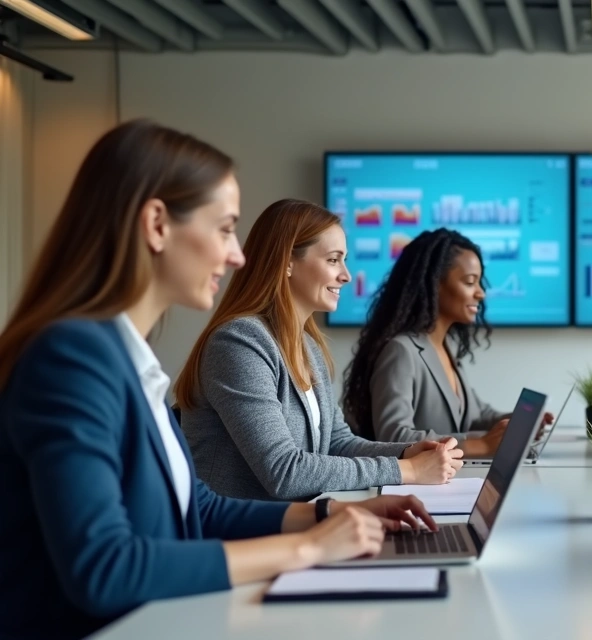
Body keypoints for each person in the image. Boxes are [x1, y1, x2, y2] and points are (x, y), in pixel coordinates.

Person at [0, 121, 437, 639]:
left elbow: (197, 510)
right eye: (226, 228)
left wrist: (334, 513)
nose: (237, 255)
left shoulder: (127, 359)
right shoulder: (71, 360)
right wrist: (309, 548)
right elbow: (104, 568)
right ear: (157, 224)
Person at [178, 199, 463, 501]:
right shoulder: (239, 343)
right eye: (333, 260)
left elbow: (337, 443)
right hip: (240, 538)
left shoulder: (308, 347)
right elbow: (285, 472)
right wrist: (409, 470)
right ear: (287, 261)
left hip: (291, 526)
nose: (346, 275)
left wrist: (406, 451)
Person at [343, 228, 551, 456]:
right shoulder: (401, 351)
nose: (481, 293)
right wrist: (477, 445)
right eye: (470, 282)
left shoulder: (443, 348)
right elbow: (394, 437)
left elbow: (475, 416)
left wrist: (517, 422)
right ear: (434, 285)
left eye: (479, 282)